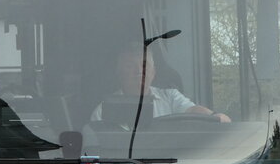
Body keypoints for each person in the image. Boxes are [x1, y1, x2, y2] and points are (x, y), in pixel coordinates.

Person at [90, 46, 230, 125]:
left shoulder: (170, 97)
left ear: (153, 73)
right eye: (129, 66)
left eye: (144, 66)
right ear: (119, 73)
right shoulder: (103, 109)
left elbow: (192, 110)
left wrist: (214, 116)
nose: (139, 71)